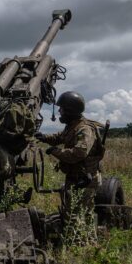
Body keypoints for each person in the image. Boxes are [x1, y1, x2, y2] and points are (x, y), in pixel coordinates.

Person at [35, 91, 105, 223]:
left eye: (62, 108)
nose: (59, 111)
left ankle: (84, 241)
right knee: (72, 214)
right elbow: (60, 137)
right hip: (75, 177)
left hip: (85, 179)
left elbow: (78, 154)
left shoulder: (84, 129)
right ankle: (78, 239)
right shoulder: (72, 126)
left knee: (79, 217)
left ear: (70, 110)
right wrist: (44, 137)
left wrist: (55, 151)